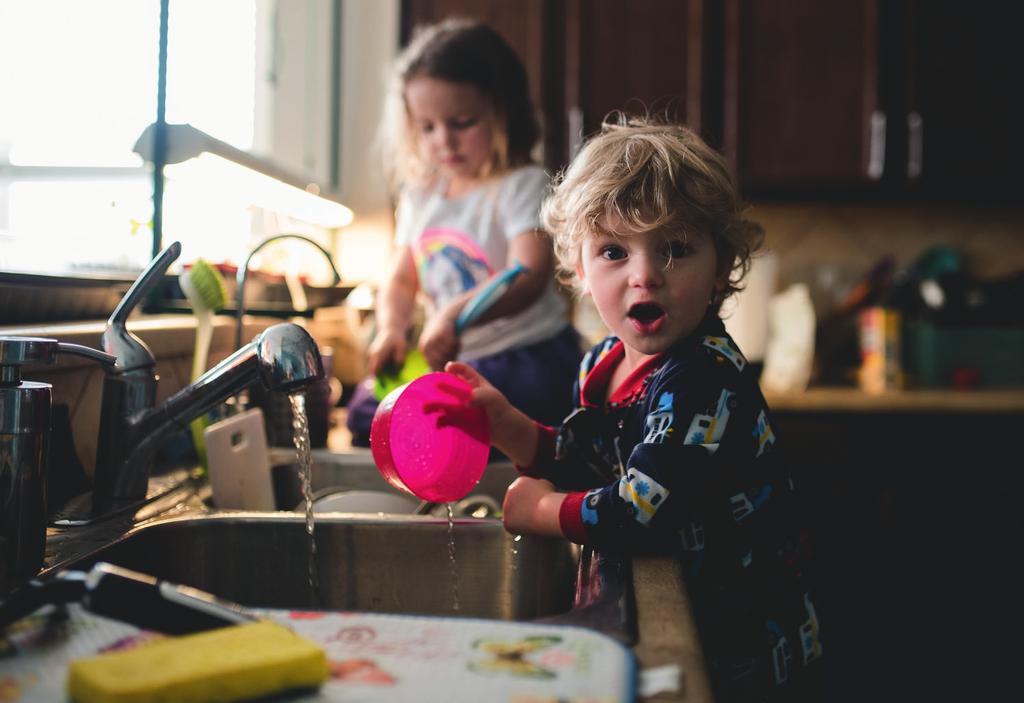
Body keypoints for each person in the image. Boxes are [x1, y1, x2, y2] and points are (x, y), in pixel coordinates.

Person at [447, 117, 824, 701]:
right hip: (679, 606)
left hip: (744, 645)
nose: (644, 276)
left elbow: (640, 512)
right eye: (614, 252)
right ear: (577, 265)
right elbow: (598, 461)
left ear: (721, 265)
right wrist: (514, 430)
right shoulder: (601, 363)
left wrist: (544, 511)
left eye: (675, 250)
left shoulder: (702, 378)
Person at [345, 18, 581, 446]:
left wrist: (451, 313)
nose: (444, 142)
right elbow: (401, 279)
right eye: (427, 127)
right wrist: (393, 330)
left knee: (471, 415)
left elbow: (528, 273)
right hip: (464, 360)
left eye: (463, 122)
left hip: (527, 355)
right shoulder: (422, 195)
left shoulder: (521, 184)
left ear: (504, 111)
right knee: (366, 414)